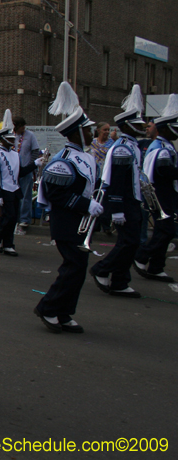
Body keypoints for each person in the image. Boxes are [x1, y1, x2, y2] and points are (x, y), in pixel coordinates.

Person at [34, 82, 102, 334]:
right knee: (73, 268)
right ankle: (48, 307)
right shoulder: (63, 160)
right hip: (66, 223)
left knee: (77, 269)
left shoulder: (84, 156)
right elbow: (56, 193)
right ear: (75, 133)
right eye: (88, 129)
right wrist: (86, 204)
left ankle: (63, 312)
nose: (92, 132)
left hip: (80, 222)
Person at [90, 85, 147, 298]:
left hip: (132, 199)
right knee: (129, 242)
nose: (142, 127)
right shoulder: (123, 147)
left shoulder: (131, 145)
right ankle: (102, 269)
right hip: (124, 201)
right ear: (128, 126)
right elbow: (116, 181)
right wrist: (117, 210)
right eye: (137, 123)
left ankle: (120, 281)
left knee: (130, 242)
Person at [134, 93, 178, 283]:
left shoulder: (165, 145)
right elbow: (163, 171)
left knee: (164, 230)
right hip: (161, 193)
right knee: (167, 230)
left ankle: (156, 267)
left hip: (164, 193)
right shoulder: (161, 146)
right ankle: (142, 256)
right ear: (166, 129)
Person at [0, 110, 41, 256]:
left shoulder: (15, 155)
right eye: (9, 138)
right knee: (8, 217)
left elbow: (20, 173)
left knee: (13, 218)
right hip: (4, 190)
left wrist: (35, 164)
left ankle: (8, 244)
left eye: (13, 138)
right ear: (2, 139)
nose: (13, 140)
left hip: (14, 189)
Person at [13, 116, 41, 233]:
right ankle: (15, 218)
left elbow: (35, 151)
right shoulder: (11, 136)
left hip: (25, 170)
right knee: (14, 196)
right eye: (21, 126)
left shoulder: (30, 136)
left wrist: (30, 165)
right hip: (13, 171)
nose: (24, 128)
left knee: (25, 196)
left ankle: (24, 219)